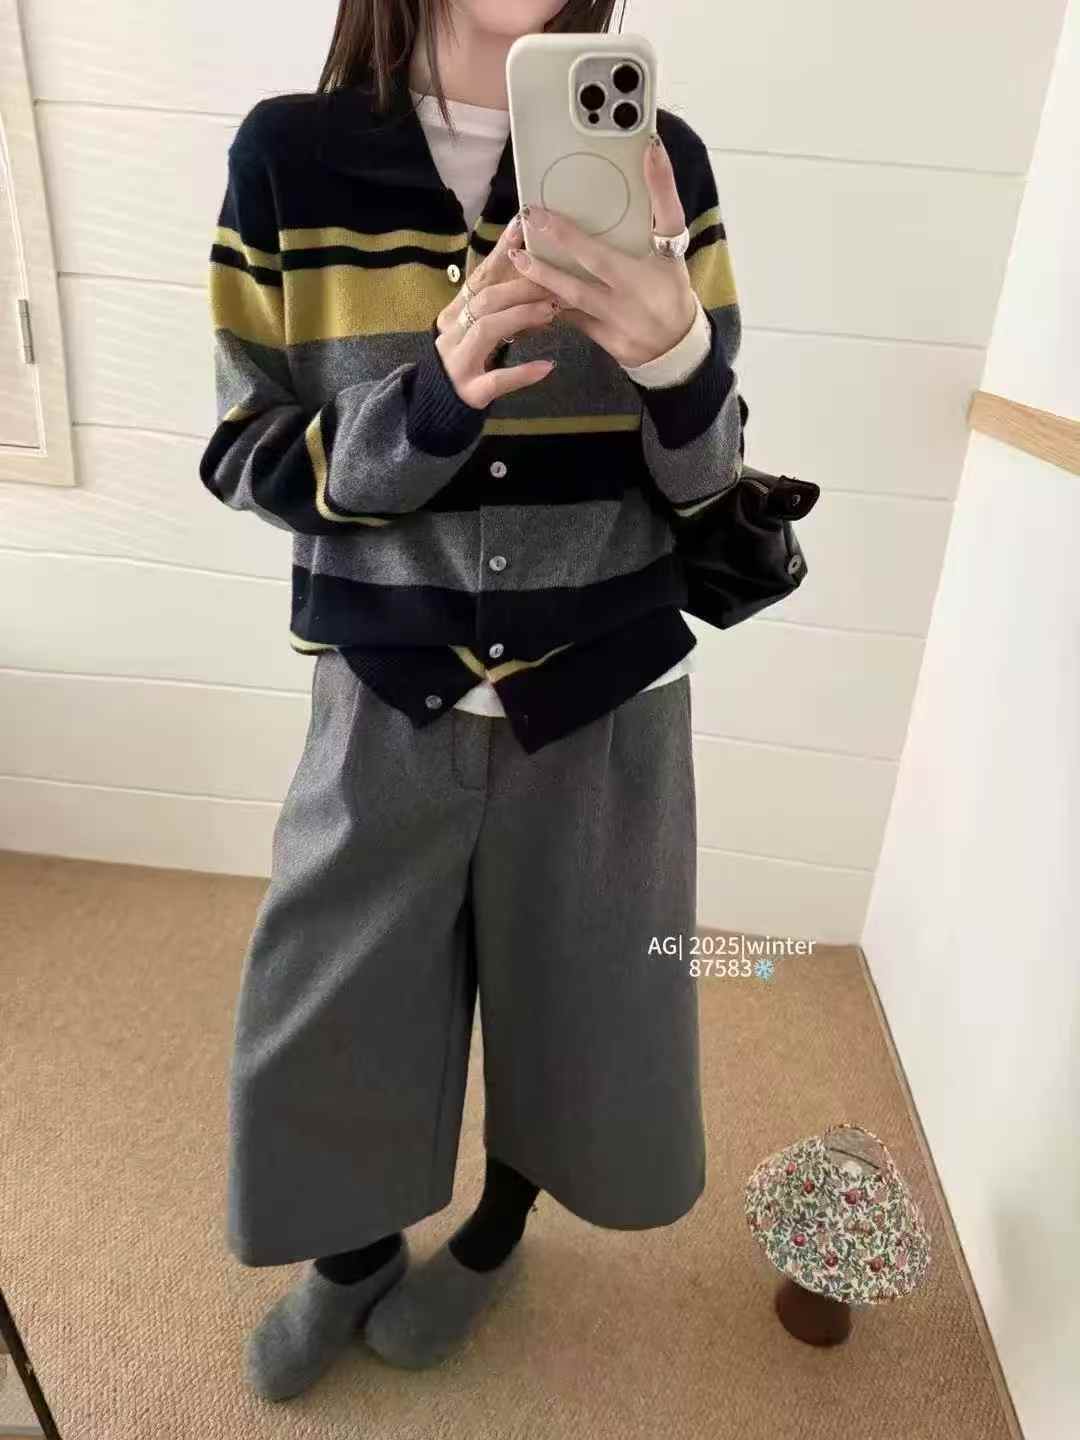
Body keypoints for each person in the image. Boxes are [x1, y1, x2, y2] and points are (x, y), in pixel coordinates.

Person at [200, 0, 746, 1404]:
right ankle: (352, 1256)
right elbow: (244, 453)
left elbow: (711, 485)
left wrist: (678, 358)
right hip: (385, 692)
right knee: (334, 1007)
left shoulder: (657, 157)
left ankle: (498, 1236)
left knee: (583, 1008)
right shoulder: (290, 158)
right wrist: (428, 400)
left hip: (602, 695)